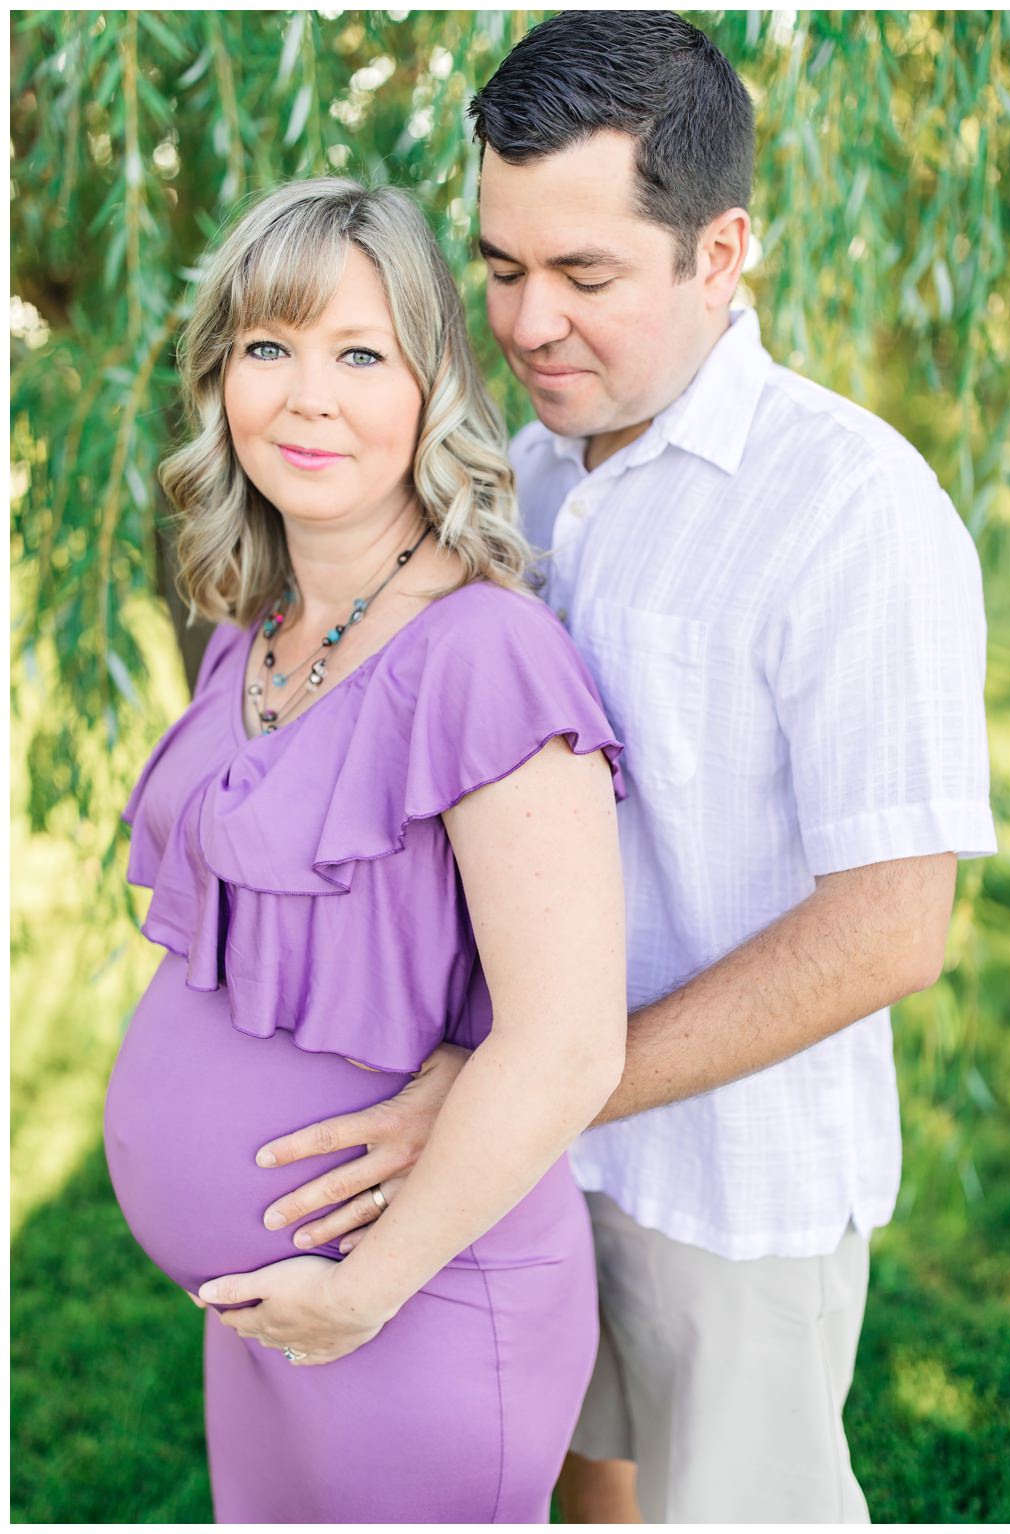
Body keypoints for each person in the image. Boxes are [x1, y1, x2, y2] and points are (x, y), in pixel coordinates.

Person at [249, 13, 995, 1522]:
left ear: (722, 252)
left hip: (731, 1185)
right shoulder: (511, 477)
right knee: (568, 1490)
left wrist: (541, 1084)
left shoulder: (854, 508)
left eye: (585, 277)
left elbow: (893, 929)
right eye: (502, 266)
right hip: (520, 1168)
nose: (525, 325)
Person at [103, 178, 629, 1520]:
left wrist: (362, 1288)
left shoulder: (484, 655)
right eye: (269, 348)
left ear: (431, 385)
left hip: (417, 1306)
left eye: (360, 354)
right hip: (268, 1316)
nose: (308, 396)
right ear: (222, 375)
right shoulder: (249, 637)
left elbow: (571, 1042)